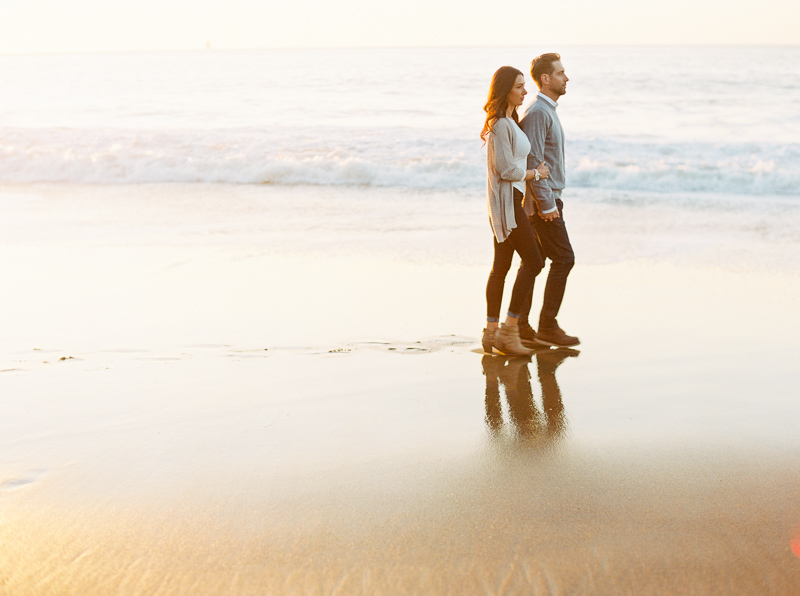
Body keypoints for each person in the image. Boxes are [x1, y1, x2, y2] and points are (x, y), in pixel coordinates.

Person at [481, 66, 550, 356]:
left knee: (501, 268)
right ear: (505, 89)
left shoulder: (510, 121)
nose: (525, 91)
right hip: (506, 205)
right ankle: (509, 330)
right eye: (520, 86)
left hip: (510, 202)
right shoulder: (499, 124)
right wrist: (536, 173)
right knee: (533, 262)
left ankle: (491, 332)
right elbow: (507, 169)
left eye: (525, 86)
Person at [517, 53, 580, 348]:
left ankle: (520, 325)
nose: (566, 78)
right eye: (561, 73)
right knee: (563, 259)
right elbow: (534, 160)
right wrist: (547, 205)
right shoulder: (540, 112)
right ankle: (547, 326)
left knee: (536, 262)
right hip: (546, 202)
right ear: (546, 78)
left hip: (548, 199)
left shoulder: (546, 110)